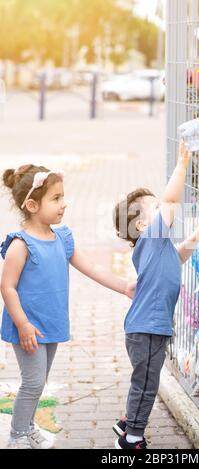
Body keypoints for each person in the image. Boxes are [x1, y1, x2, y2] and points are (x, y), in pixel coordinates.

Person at [0, 164, 135, 449]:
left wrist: (123, 286)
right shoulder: (20, 245)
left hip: (51, 322)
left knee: (40, 380)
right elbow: (7, 287)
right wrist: (23, 323)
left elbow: (91, 267)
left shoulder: (62, 237)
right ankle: (17, 436)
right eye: (56, 198)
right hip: (29, 326)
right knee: (33, 382)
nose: (64, 204)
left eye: (63, 197)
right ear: (33, 205)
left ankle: (27, 427)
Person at [112, 142, 199, 449]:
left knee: (142, 380)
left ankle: (127, 422)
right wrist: (182, 164)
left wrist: (193, 239)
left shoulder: (158, 247)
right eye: (154, 210)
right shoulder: (151, 238)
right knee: (147, 384)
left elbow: (177, 258)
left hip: (146, 329)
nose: (162, 213)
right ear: (142, 225)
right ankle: (133, 439)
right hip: (148, 330)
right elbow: (170, 199)